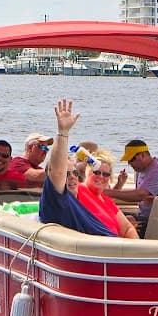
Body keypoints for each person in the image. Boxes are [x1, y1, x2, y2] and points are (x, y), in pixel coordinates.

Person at [37, 98, 117, 237]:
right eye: (66, 174)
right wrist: (63, 132)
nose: (73, 176)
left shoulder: (77, 201)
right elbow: (57, 170)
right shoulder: (55, 200)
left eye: (74, 172)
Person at [104, 139, 158, 233]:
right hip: (145, 216)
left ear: (142, 155)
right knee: (105, 214)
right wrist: (120, 184)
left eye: (131, 160)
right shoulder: (141, 169)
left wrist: (106, 192)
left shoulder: (157, 171)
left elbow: (140, 195)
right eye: (128, 161)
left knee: (110, 225)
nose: (129, 164)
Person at [76, 150, 139, 238]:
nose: (101, 177)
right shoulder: (78, 190)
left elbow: (128, 229)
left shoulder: (106, 200)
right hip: (98, 246)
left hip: (116, 246)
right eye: (96, 172)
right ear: (87, 171)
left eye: (106, 174)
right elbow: (59, 174)